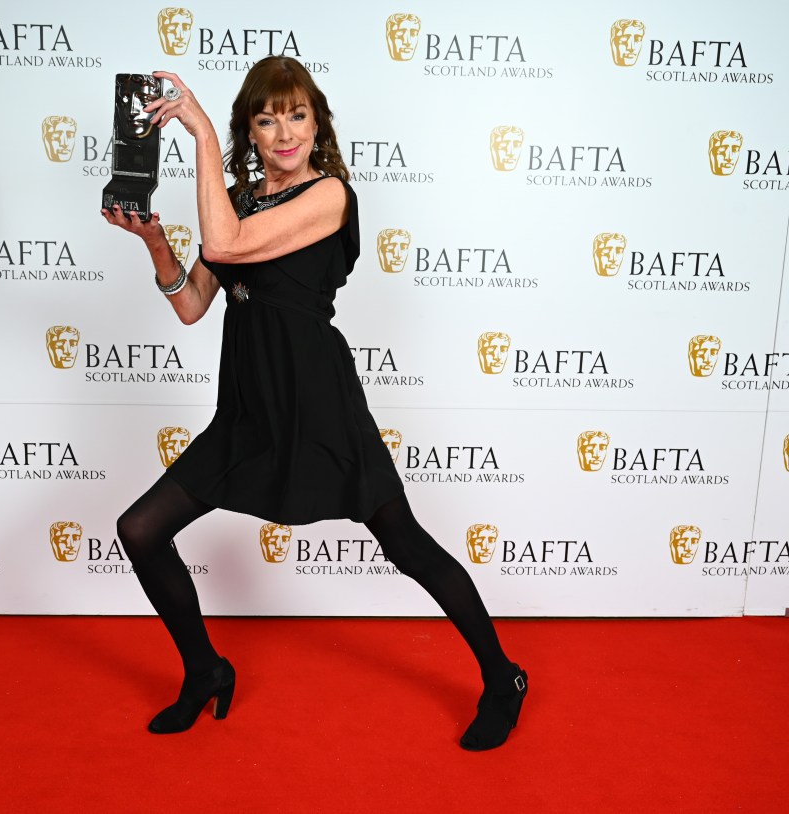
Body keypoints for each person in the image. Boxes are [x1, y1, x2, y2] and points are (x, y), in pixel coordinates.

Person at [101, 56, 527, 751]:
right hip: (247, 408)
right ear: (253, 130)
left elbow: (224, 244)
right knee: (142, 530)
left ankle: (503, 676)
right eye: (266, 119)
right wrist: (154, 243)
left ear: (317, 121)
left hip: (318, 402)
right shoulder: (238, 201)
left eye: (297, 114)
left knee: (405, 543)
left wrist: (200, 131)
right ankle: (206, 670)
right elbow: (192, 303)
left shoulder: (330, 197)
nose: (284, 131)